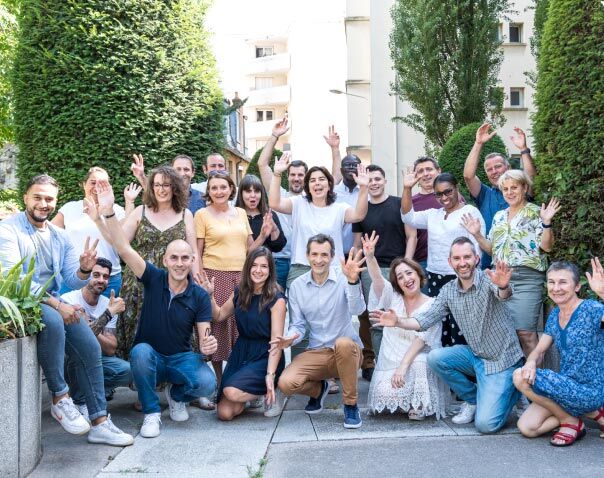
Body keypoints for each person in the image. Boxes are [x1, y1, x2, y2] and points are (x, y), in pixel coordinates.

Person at [0, 174, 133, 446]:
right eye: (37, 197)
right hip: (20, 302)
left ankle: (100, 422)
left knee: (90, 346)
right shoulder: (8, 229)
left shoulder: (59, 235)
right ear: (25, 198)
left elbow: (72, 280)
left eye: (49, 199)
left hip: (53, 302)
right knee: (53, 319)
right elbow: (14, 280)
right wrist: (58, 304)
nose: (43, 204)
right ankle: (60, 397)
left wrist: (84, 269)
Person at [93, 179, 218, 438]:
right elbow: (124, 248)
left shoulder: (199, 295)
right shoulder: (153, 277)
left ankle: (177, 395)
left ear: (192, 261)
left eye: (185, 258)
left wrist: (208, 346)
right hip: (152, 355)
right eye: (174, 258)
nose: (180, 263)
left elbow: (205, 335)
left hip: (180, 357)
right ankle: (151, 413)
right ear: (165, 260)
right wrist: (108, 211)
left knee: (208, 383)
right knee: (139, 352)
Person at [371, 237, 524, 434]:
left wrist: (503, 286)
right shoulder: (448, 291)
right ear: (450, 262)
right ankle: (473, 399)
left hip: (502, 360)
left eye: (467, 257)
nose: (462, 263)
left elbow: (504, 295)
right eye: (457, 258)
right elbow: (423, 321)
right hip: (476, 355)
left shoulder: (489, 279)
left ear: (477, 258)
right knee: (436, 358)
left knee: (486, 425)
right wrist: (398, 321)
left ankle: (516, 390)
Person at [270, 234, 367, 429]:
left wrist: (353, 282)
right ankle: (319, 389)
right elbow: (298, 325)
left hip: (347, 351)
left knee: (343, 343)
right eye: (314, 254)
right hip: (317, 351)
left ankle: (350, 405)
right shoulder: (297, 286)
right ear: (307, 256)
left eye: (324, 255)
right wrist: (290, 339)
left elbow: (358, 310)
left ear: (332, 257)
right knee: (286, 382)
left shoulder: (344, 277)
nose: (319, 260)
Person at [461, 170, 560, 356]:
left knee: (526, 334)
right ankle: (512, 372)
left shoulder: (536, 212)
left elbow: (547, 247)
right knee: (502, 333)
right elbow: (493, 250)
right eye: (505, 189)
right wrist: (477, 235)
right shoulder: (499, 216)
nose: (509, 192)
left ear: (524, 188)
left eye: (514, 187)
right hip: (499, 278)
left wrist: (547, 223)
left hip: (526, 279)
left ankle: (533, 373)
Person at [195, 172, 272, 393]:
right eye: (214, 187)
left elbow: (250, 249)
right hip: (214, 275)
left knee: (242, 327)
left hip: (242, 276)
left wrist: (263, 235)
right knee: (218, 327)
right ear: (208, 191)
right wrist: (200, 280)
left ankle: (241, 379)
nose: (219, 191)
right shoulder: (202, 214)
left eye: (223, 187)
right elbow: (197, 251)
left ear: (231, 189)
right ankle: (220, 383)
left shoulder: (240, 213)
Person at [513, 261, 604, 446]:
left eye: (563, 282)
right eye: (551, 282)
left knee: (519, 377)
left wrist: (602, 294)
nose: (556, 288)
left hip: (591, 391)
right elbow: (539, 350)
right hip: (565, 387)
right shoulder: (555, 315)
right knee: (527, 427)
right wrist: (530, 362)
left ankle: (571, 421)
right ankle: (583, 416)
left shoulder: (591, 309)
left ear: (577, 286)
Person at [112, 165, 198, 360]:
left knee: (173, 328)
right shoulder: (140, 212)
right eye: (157, 185)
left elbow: (193, 252)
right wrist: (105, 216)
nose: (161, 189)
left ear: (174, 187)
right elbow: (121, 244)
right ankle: (139, 371)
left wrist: (198, 281)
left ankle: (172, 371)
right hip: (139, 282)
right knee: (138, 328)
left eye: (166, 185)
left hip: (174, 282)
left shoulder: (185, 215)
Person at [362, 232, 448, 420]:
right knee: (384, 396)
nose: (406, 279)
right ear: (397, 284)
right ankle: (405, 400)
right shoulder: (392, 298)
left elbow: (421, 339)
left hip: (416, 361)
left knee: (420, 362)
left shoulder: (432, 304)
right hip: (392, 362)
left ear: (418, 274)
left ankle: (420, 404)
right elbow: (377, 279)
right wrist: (370, 257)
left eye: (409, 273)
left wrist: (403, 367)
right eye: (400, 277)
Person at [199, 247, 287, 421]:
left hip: (265, 355)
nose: (258, 270)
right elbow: (219, 315)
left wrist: (270, 375)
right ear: (248, 267)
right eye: (254, 265)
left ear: (270, 271)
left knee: (231, 391)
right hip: (242, 351)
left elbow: (276, 343)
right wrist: (209, 295)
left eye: (264, 266)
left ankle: (272, 387)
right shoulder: (241, 291)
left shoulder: (277, 299)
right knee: (224, 413)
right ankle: (250, 393)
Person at [401, 171, 485, 347]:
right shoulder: (433, 214)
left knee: (461, 326)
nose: (444, 197)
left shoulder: (469, 212)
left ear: (456, 188)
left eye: (448, 191)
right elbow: (408, 217)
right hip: (435, 277)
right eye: (439, 194)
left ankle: (464, 362)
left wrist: (471, 278)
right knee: (439, 326)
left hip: (461, 278)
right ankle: (443, 361)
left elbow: (477, 248)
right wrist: (407, 188)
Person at [269, 153, 369, 286]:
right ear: (308, 186)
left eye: (321, 179)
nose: (317, 183)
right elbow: (274, 203)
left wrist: (363, 187)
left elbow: (359, 215)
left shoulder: (339, 208)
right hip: (301, 268)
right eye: (312, 180)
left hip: (333, 269)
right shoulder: (298, 203)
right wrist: (277, 174)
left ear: (329, 184)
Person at [352, 164, 417, 364]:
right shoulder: (361, 209)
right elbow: (357, 244)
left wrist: (407, 264)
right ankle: (382, 365)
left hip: (398, 269)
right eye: (370, 180)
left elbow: (412, 235)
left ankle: (403, 364)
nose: (374, 183)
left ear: (385, 181)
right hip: (371, 271)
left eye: (377, 179)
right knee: (377, 321)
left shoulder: (399, 203)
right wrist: (356, 271)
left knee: (402, 316)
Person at [61, 258, 132, 419]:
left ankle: (91, 392)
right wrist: (107, 315)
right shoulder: (68, 300)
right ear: (87, 276)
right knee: (78, 353)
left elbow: (110, 349)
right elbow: (80, 342)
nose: (101, 280)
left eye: (105, 277)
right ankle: (80, 401)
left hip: (97, 359)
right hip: (70, 361)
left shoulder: (108, 305)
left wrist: (91, 324)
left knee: (128, 371)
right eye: (96, 275)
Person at [463, 123, 537, 268]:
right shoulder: (485, 194)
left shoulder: (520, 191)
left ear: (508, 167)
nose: (494, 171)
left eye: (498, 166)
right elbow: (468, 176)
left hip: (522, 266)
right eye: (489, 169)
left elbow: (531, 178)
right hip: (492, 264)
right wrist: (478, 143)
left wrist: (523, 149)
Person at [51, 166, 133, 297]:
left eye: (102, 183)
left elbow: (124, 238)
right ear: (84, 184)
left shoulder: (116, 210)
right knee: (67, 310)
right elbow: (49, 233)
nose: (97, 187)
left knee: (106, 311)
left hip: (107, 279)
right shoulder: (69, 208)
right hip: (73, 277)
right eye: (93, 182)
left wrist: (129, 202)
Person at [130, 153, 206, 215]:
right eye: (178, 169)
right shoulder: (164, 194)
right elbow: (153, 190)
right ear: (171, 172)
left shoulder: (203, 199)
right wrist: (141, 176)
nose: (182, 173)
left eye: (186, 169)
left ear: (193, 173)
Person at [235, 174, 286, 254]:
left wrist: (274, 228)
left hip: (264, 261)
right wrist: (262, 236)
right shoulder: (234, 215)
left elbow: (278, 247)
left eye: (257, 191)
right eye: (248, 191)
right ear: (241, 194)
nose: (253, 195)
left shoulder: (269, 215)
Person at [410, 157, 442, 272]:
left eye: (429, 169)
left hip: (449, 258)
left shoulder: (451, 197)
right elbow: (409, 236)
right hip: (421, 262)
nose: (425, 174)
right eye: (420, 171)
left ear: (439, 171)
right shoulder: (411, 202)